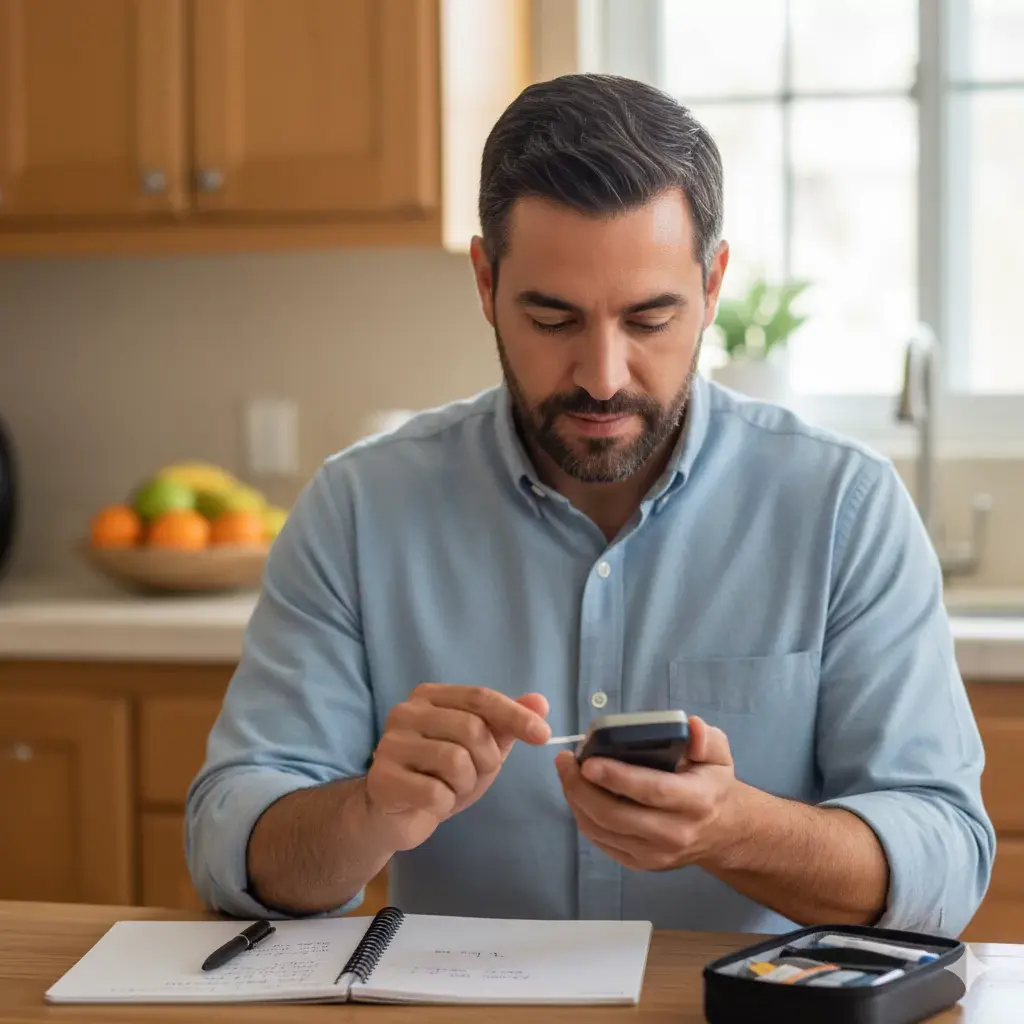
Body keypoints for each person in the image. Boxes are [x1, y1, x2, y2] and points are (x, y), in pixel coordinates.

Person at [185, 73, 994, 935]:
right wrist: (368, 813)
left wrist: (737, 830)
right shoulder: (358, 510)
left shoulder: (845, 508)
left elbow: (945, 862)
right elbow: (230, 842)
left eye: (649, 319)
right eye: (552, 318)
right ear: (486, 284)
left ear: (713, 284)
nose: (603, 376)